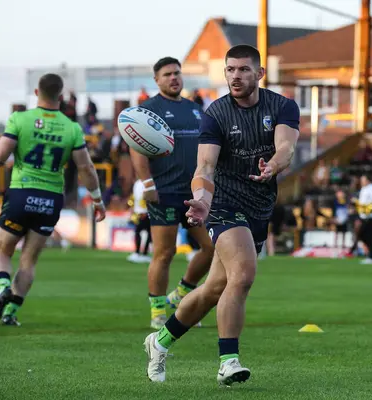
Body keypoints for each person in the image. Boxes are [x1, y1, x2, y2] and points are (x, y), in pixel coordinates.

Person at [143, 45, 300, 385]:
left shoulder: (283, 106)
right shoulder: (215, 113)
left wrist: (271, 166)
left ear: (259, 74)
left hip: (259, 206)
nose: (235, 76)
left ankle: (160, 341)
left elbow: (286, 147)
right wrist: (201, 198)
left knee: (214, 288)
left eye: (243, 70)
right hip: (224, 205)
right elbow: (205, 166)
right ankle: (228, 361)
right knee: (242, 275)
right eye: (230, 70)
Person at [0, 73, 106, 326]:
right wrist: (97, 200)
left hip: (21, 192)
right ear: (61, 97)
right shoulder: (72, 127)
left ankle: (3, 287)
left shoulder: (20, 119)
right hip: (51, 199)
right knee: (29, 260)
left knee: (1, 250)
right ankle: (11, 313)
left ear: (37, 93)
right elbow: (86, 168)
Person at [130, 57, 214, 329]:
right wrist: (148, 184)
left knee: (211, 247)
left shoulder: (195, 110)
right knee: (164, 253)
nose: (174, 78)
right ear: (157, 80)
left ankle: (180, 295)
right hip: (163, 191)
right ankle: (157, 311)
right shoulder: (148, 110)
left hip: (194, 193)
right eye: (167, 74)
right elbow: (136, 148)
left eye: (177, 73)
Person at [127, 179, 152, 263]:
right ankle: (140, 252)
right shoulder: (137, 183)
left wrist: (144, 210)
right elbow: (135, 197)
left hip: (145, 212)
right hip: (139, 212)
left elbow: (147, 197)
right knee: (140, 232)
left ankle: (142, 253)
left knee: (145, 232)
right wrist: (132, 208)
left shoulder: (148, 182)